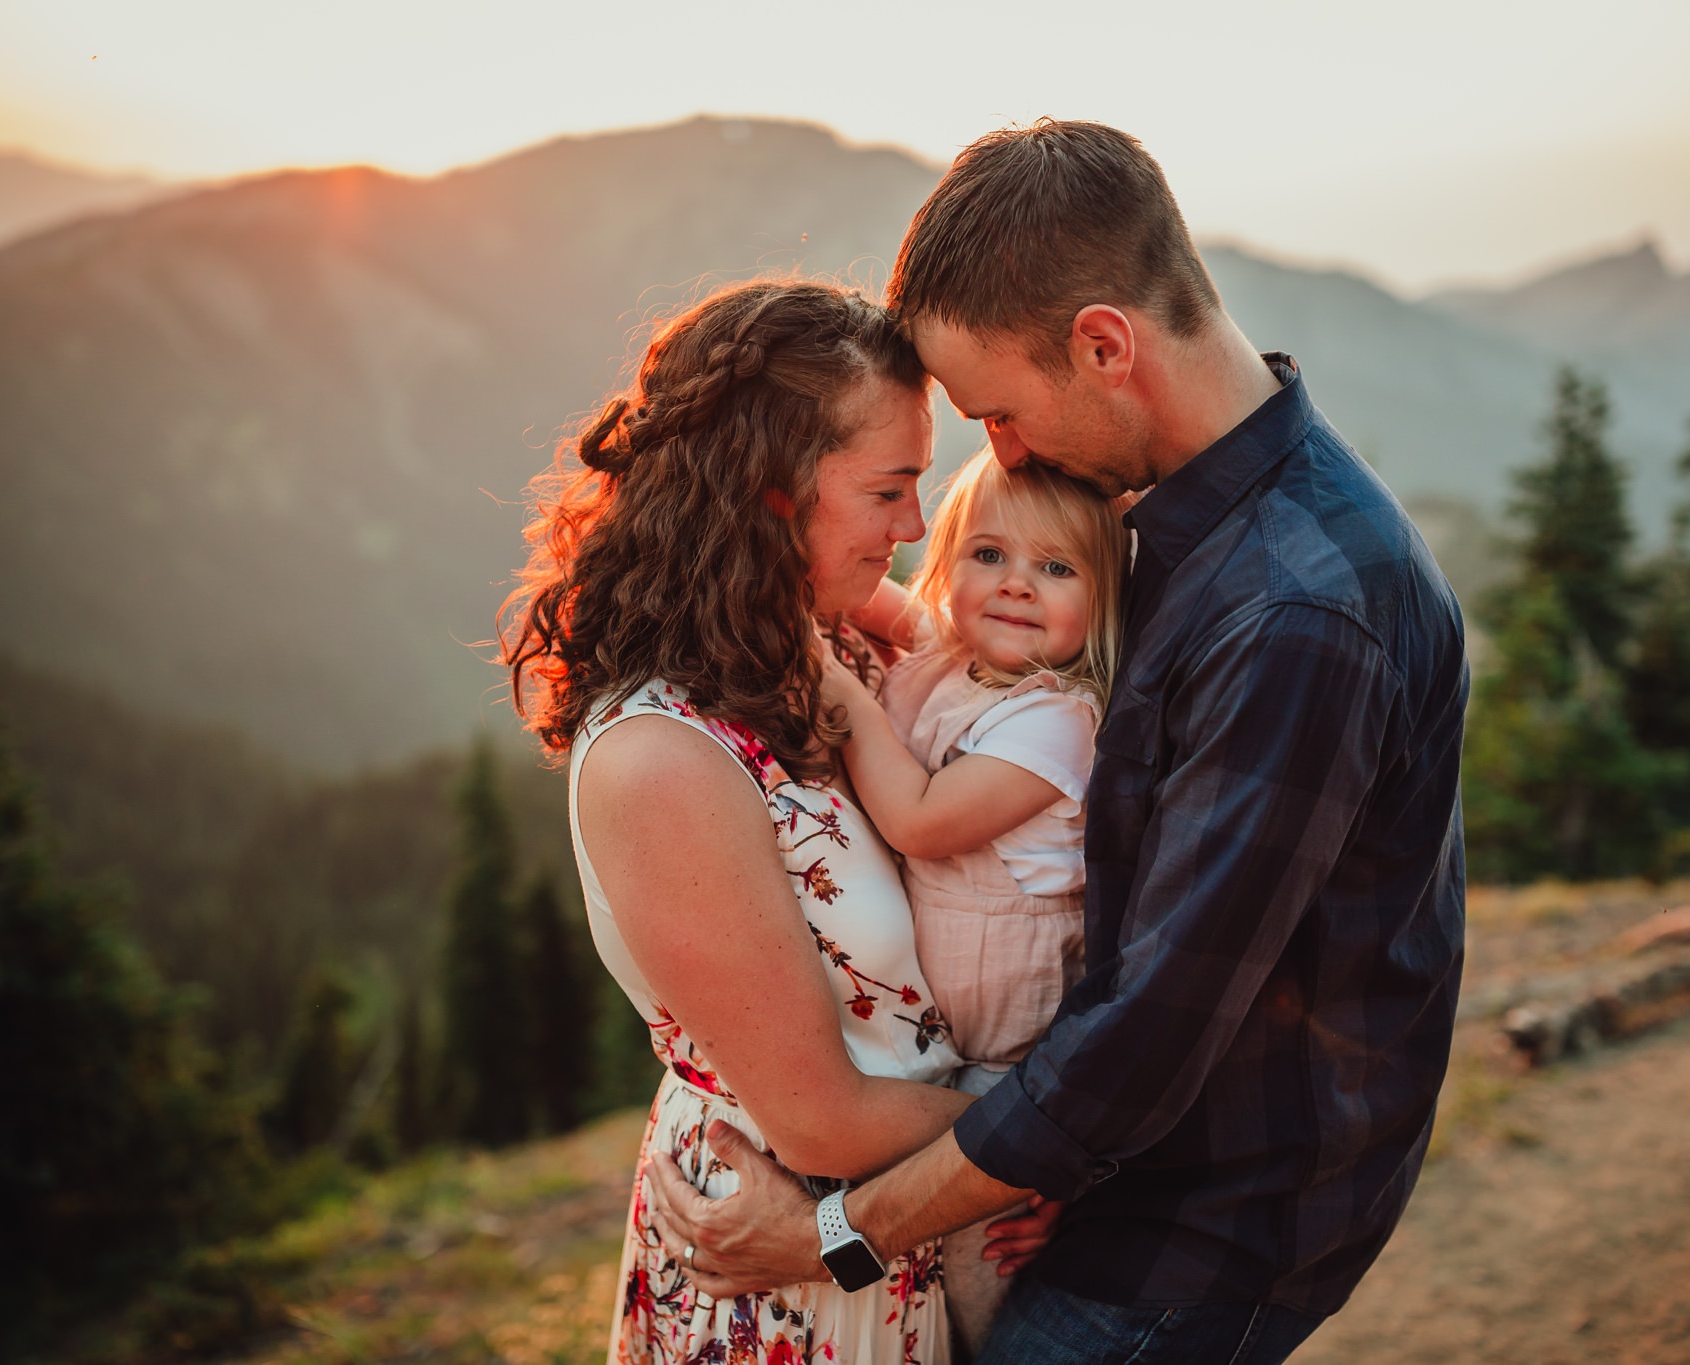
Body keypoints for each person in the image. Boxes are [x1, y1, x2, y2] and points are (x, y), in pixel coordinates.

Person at [645, 121, 1469, 1365]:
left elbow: (1143, 1036)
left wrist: (835, 1234)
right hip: (1112, 1176)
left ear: (1102, 344)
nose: (1006, 459)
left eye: (1002, 415)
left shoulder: (1292, 615)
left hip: (1190, 1231)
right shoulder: (1185, 522)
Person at [500, 278, 1056, 1365]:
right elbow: (826, 1119)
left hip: (910, 1218)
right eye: (888, 489)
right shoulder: (663, 759)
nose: (912, 530)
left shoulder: (829, 632)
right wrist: (1070, 1144)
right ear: (768, 492)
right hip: (779, 1265)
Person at [821, 447, 1130, 1352]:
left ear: (1103, 602)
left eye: (1057, 568)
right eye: (988, 554)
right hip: (935, 1045)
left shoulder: (1055, 722)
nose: (1016, 585)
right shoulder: (941, 655)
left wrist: (843, 692)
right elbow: (870, 601)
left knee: (973, 1265)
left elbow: (918, 820)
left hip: (1007, 1057)